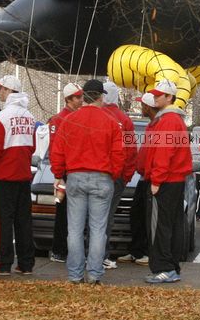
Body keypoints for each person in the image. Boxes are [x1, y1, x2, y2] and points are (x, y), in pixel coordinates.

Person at [50, 79, 124, 284]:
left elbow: (57, 150)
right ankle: (94, 274)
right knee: (98, 229)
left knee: (74, 229)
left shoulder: (70, 120)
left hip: (75, 176)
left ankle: (75, 274)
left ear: (83, 96)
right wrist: (114, 175)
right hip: (102, 177)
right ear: (102, 97)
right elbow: (119, 154)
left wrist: (59, 174)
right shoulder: (111, 122)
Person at [0, 74, 36, 276]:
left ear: (7, 91)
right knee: (23, 221)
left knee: (2, 222)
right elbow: (31, 147)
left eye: (1, 89)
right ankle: (26, 263)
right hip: (23, 175)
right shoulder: (29, 116)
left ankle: (3, 263)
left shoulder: (2, 118)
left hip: (4, 177)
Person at [141, 79, 193, 284]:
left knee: (160, 226)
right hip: (173, 179)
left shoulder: (169, 120)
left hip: (166, 180)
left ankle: (164, 267)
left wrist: (156, 179)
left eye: (159, 95)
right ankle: (170, 266)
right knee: (171, 224)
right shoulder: (173, 119)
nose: (155, 97)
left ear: (169, 97)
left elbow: (164, 153)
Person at [117, 93, 158, 265]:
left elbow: (159, 154)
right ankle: (136, 250)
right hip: (142, 177)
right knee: (136, 215)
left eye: (142, 105)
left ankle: (147, 252)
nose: (141, 108)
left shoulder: (159, 125)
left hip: (151, 178)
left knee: (148, 218)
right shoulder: (150, 126)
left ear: (148, 107)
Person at [101, 80, 137, 270]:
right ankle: (101, 255)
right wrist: (126, 176)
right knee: (106, 217)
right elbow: (131, 151)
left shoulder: (93, 116)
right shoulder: (125, 120)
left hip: (96, 173)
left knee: (88, 217)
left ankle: (89, 255)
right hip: (116, 177)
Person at [47, 82, 83, 263]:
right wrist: (58, 174)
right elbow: (54, 148)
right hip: (65, 173)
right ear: (69, 99)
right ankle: (59, 249)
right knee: (62, 212)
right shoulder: (58, 120)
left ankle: (69, 250)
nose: (81, 100)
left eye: (81, 96)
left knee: (76, 214)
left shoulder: (80, 117)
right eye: (77, 97)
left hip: (76, 170)